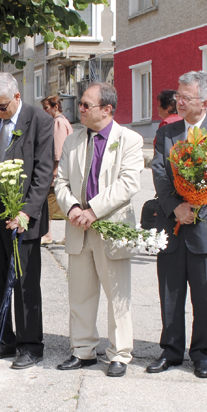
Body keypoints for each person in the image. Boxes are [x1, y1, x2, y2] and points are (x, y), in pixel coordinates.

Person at [148, 71, 207, 379]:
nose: (180, 102)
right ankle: (171, 350)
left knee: (204, 294)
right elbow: (159, 173)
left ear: (205, 102)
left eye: (186, 97)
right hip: (172, 222)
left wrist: (194, 206)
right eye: (178, 97)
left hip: (205, 225)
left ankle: (201, 353)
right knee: (170, 292)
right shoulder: (167, 133)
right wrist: (177, 207)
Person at [53, 83, 144, 377]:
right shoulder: (73, 141)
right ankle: (82, 350)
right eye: (80, 103)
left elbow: (129, 183)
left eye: (86, 105)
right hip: (78, 227)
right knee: (80, 294)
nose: (79, 108)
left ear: (107, 109)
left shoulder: (129, 140)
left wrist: (93, 210)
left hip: (110, 227)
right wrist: (72, 208)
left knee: (117, 296)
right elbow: (61, 182)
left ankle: (120, 353)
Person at [0, 72, 54, 369]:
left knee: (25, 282)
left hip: (23, 215)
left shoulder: (39, 121)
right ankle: (1, 340)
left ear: (17, 96)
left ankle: (30, 346)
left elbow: (43, 172)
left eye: (2, 106)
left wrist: (26, 211)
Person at [41, 94, 73, 244]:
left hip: (57, 171)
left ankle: (47, 235)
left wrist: (53, 172)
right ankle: (66, 236)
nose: (45, 111)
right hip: (63, 169)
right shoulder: (63, 120)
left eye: (46, 107)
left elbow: (57, 151)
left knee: (50, 202)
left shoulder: (58, 122)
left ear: (55, 107)